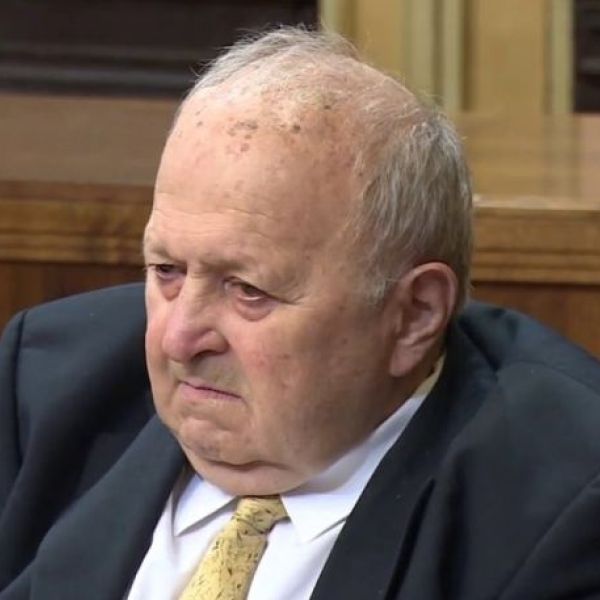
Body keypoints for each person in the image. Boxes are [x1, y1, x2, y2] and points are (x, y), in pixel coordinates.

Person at [2, 26, 600, 600]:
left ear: (414, 315)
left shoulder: (563, 509)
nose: (178, 338)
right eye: (167, 271)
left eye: (247, 290)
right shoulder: (46, 388)